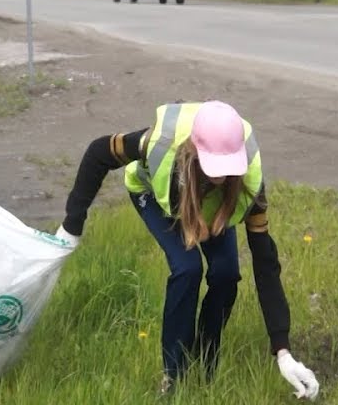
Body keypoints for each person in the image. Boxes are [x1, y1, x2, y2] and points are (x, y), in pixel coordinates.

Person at [54, 100, 320, 400]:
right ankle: (174, 375)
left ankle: (205, 365)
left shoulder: (248, 179)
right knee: (188, 268)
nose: (221, 175)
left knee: (226, 274)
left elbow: (265, 263)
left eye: (227, 168)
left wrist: (282, 351)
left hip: (213, 207)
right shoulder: (158, 145)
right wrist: (71, 225)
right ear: (194, 150)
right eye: (215, 167)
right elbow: (98, 153)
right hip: (157, 197)